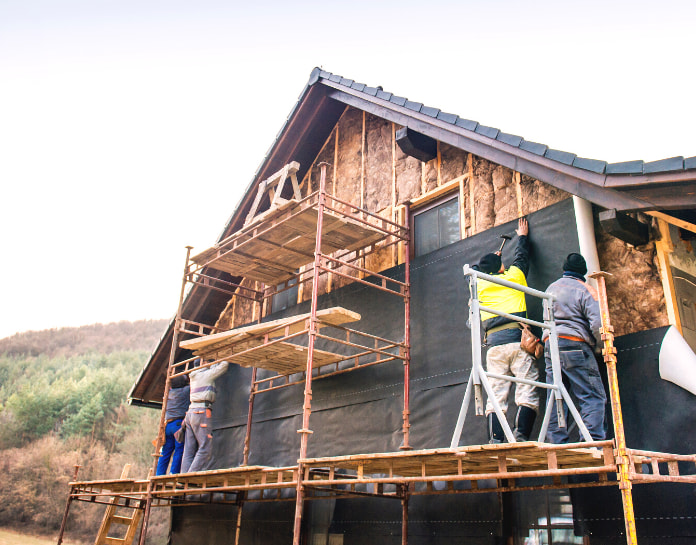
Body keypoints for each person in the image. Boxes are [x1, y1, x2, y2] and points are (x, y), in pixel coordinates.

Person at [474, 217, 539, 443]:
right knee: (527, 388)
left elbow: (474, 270)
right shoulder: (514, 277)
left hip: (494, 346)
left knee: (496, 394)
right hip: (517, 341)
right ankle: (520, 436)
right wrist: (522, 237)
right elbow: (522, 258)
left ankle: (495, 439)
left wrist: (491, 261)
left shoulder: (478, 285)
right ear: (502, 268)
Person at [543, 253, 606, 443]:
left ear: (564, 269)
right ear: (583, 273)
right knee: (592, 396)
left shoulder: (550, 288)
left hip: (551, 345)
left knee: (556, 395)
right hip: (575, 344)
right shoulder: (586, 290)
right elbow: (598, 325)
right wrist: (600, 347)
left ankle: (556, 442)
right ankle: (592, 442)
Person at [180, 358, 230, 473]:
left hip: (191, 413)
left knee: (189, 449)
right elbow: (223, 366)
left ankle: (183, 477)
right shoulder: (205, 375)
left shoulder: (195, 375)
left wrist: (212, 363)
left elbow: (212, 369)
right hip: (201, 412)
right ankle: (189, 477)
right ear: (203, 363)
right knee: (205, 448)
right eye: (208, 361)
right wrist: (224, 355)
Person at [155, 374, 190, 475]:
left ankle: (159, 474)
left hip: (168, 426)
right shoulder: (185, 391)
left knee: (165, 452)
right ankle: (173, 473)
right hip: (178, 425)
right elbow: (194, 384)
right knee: (179, 450)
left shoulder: (168, 394)